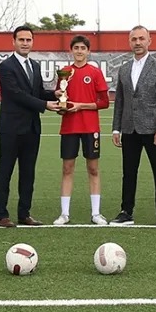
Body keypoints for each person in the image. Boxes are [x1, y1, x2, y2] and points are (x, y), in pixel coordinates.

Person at [0, 24, 58, 228]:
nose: (25, 43)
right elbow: (16, 94)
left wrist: (54, 95)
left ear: (32, 42)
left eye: (28, 40)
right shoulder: (5, 66)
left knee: (28, 173)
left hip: (31, 128)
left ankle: (24, 213)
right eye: (21, 39)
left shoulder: (35, 66)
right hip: (11, 128)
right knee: (5, 171)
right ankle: (1, 215)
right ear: (13, 42)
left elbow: (36, 92)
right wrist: (44, 105)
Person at [111, 25, 156, 225]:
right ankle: (126, 211)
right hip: (129, 129)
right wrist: (116, 128)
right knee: (129, 172)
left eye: (141, 39)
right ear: (130, 42)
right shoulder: (124, 69)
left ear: (149, 41)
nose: (137, 43)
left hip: (152, 129)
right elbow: (119, 101)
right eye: (134, 39)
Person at [55, 34, 110, 225]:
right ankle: (64, 214)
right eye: (76, 48)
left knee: (93, 168)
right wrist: (62, 109)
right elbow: (60, 102)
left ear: (88, 51)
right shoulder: (64, 73)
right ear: (71, 50)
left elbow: (104, 103)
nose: (79, 51)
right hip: (69, 128)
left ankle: (96, 213)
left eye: (82, 48)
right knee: (67, 168)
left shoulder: (94, 73)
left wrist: (81, 106)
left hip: (90, 127)